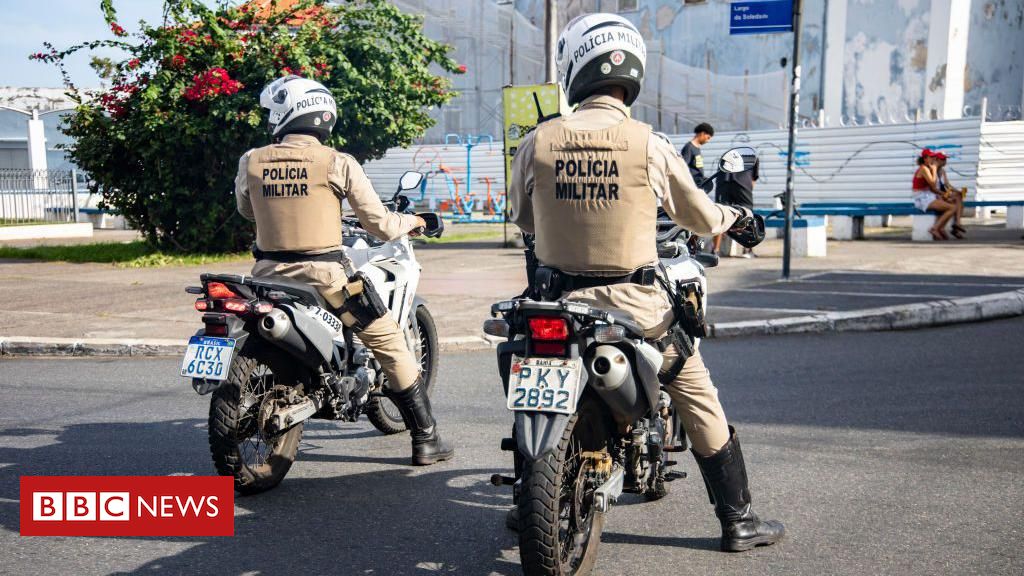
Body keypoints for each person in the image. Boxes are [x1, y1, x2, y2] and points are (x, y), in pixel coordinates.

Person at [508, 13, 784, 552]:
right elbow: (701, 217)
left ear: (574, 69)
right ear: (631, 71)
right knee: (697, 394)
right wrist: (736, 218)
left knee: (530, 383)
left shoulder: (537, 142)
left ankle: (528, 500)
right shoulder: (650, 145)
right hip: (637, 307)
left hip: (558, 302)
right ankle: (738, 522)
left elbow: (522, 218)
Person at [235, 75, 454, 466]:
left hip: (265, 279)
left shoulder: (252, 160)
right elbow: (381, 226)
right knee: (389, 341)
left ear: (286, 114)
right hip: (327, 280)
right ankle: (426, 437)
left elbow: (246, 210)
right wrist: (415, 221)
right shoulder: (337, 162)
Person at [717, 151, 760, 257]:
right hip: (742, 184)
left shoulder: (725, 157)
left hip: (723, 182)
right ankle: (747, 250)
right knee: (747, 214)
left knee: (720, 215)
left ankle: (715, 250)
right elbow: (753, 180)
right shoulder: (754, 158)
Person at [912, 149, 960, 240]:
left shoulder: (927, 168)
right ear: (925, 158)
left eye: (934, 157)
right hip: (922, 198)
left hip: (927, 196)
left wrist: (944, 195)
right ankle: (935, 228)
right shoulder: (924, 168)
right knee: (952, 207)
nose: (933, 159)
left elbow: (933, 188)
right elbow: (933, 184)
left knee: (952, 203)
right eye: (931, 157)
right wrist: (934, 169)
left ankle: (941, 228)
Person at [935, 152, 967, 238]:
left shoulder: (942, 171)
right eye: (942, 159)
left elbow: (947, 185)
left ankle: (957, 224)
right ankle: (956, 225)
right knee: (957, 200)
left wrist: (957, 191)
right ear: (936, 160)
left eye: (945, 159)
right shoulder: (932, 170)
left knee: (959, 196)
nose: (944, 161)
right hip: (937, 194)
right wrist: (945, 195)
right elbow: (933, 188)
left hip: (943, 193)